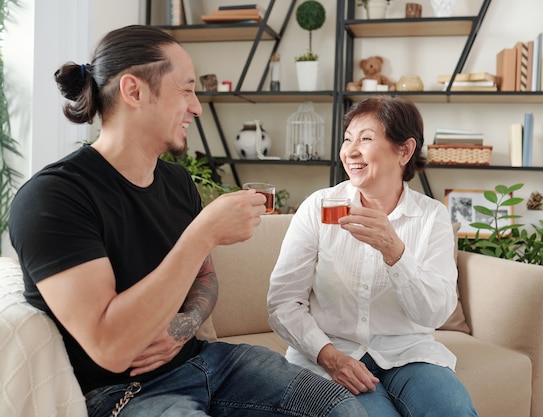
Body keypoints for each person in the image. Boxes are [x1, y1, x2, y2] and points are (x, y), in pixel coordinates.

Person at [8, 25, 367, 417]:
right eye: (186, 90)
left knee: (342, 410)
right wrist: (203, 232)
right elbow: (110, 347)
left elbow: (205, 279)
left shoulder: (177, 182)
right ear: (134, 91)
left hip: (210, 363)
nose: (196, 106)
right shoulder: (53, 198)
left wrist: (184, 325)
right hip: (124, 392)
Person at [267, 96, 478, 417]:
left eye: (365, 138)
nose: (350, 151)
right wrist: (331, 358)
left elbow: (434, 315)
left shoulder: (431, 217)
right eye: (348, 139)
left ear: (404, 151)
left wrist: (396, 252)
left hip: (408, 353)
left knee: (452, 409)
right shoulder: (319, 206)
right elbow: (283, 302)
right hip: (332, 352)